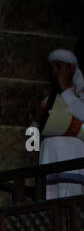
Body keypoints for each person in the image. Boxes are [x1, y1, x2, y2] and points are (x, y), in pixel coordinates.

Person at [36, 48, 84, 199]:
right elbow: (31, 142)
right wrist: (36, 122)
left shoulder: (81, 96)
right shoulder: (48, 100)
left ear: (72, 67)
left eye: (59, 66)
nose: (55, 72)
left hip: (73, 156)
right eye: (52, 68)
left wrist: (65, 90)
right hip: (49, 157)